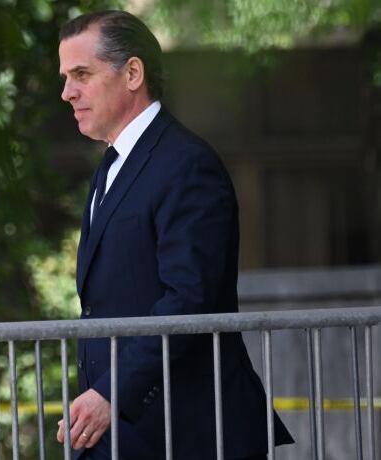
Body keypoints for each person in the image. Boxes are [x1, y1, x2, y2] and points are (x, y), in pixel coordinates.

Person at [54, 10, 293, 460]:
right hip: (122, 430)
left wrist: (111, 393)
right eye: (66, 77)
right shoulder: (111, 166)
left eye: (81, 74)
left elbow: (189, 298)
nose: (67, 92)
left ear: (133, 73)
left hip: (188, 432)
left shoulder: (186, 163)